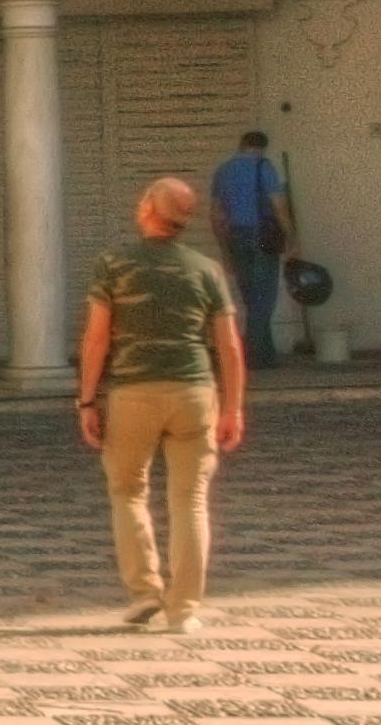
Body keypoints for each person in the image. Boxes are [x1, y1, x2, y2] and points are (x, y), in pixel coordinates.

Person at [77, 171, 251, 632]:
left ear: (148, 211)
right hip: (194, 392)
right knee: (190, 500)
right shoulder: (205, 270)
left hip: (133, 393)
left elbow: (96, 340)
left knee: (128, 490)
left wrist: (87, 400)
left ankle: (143, 592)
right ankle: (184, 609)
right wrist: (232, 408)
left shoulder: (114, 265)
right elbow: (230, 346)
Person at [210, 130, 295, 366]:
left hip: (236, 237)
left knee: (251, 298)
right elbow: (279, 208)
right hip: (262, 237)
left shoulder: (223, 171)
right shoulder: (264, 168)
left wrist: (225, 251)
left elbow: (216, 215)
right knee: (264, 299)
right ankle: (251, 356)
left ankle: (266, 356)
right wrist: (292, 241)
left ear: (241, 144)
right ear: (262, 148)